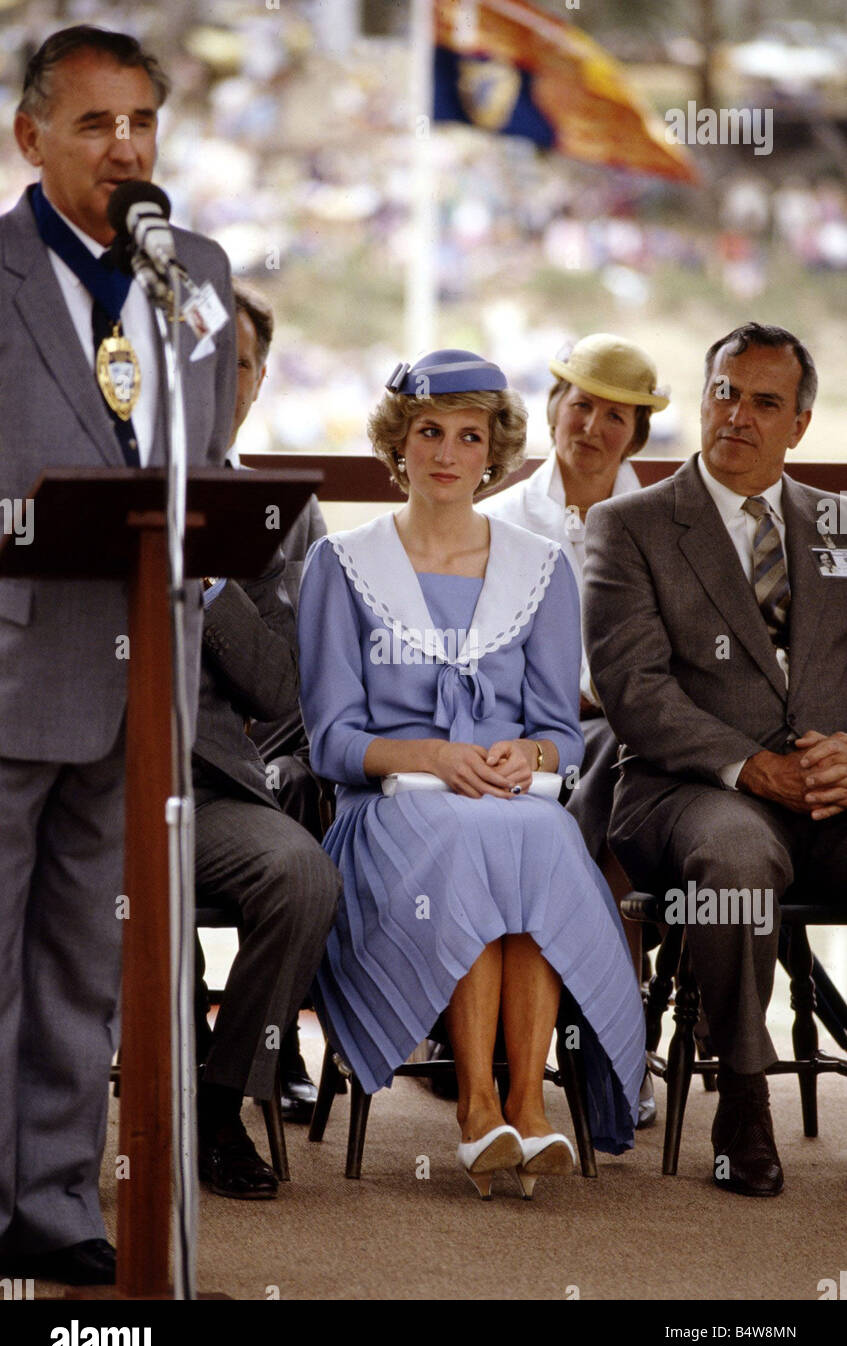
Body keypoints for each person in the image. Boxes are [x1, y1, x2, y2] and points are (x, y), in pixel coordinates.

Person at [0, 26, 235, 1285]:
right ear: (29, 138)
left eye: (140, 121)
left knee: (89, 957)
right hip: (11, 658)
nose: (126, 146)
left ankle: (52, 1198)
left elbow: (204, 456)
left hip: (146, 670)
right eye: (94, 125)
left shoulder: (191, 266)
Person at [297, 350, 645, 1199]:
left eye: (468, 436)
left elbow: (561, 736)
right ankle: (475, 1105)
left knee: (534, 829)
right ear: (398, 443)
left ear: (493, 450)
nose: (447, 453)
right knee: (477, 836)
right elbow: (331, 743)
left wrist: (520, 754)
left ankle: (528, 1108)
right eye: (428, 433)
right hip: (386, 813)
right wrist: (433, 757)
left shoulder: (541, 567)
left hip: (505, 803)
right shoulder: (341, 565)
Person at [583, 321, 847, 1198]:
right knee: (736, 857)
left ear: (798, 425)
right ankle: (741, 1095)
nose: (737, 414)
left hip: (828, 793)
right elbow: (634, 692)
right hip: (686, 791)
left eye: (763, 401)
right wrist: (747, 765)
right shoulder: (629, 527)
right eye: (723, 393)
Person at [481, 334, 669, 1127]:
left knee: (628, 776)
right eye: (579, 405)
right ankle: (609, 1031)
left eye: (614, 417)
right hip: (522, 736)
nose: (590, 427)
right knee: (607, 788)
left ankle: (599, 1033)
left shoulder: (661, 524)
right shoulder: (495, 520)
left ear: (636, 435)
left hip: (629, 738)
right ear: (553, 407)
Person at [192, 287, 341, 1198]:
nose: (218, 380)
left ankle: (217, 1108)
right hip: (89, 781)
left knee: (303, 876)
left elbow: (283, 685)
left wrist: (208, 580)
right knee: (132, 899)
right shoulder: (86, 480)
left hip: (215, 788)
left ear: (257, 383)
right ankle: (172, 1086)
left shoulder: (281, 515)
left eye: (237, 363)